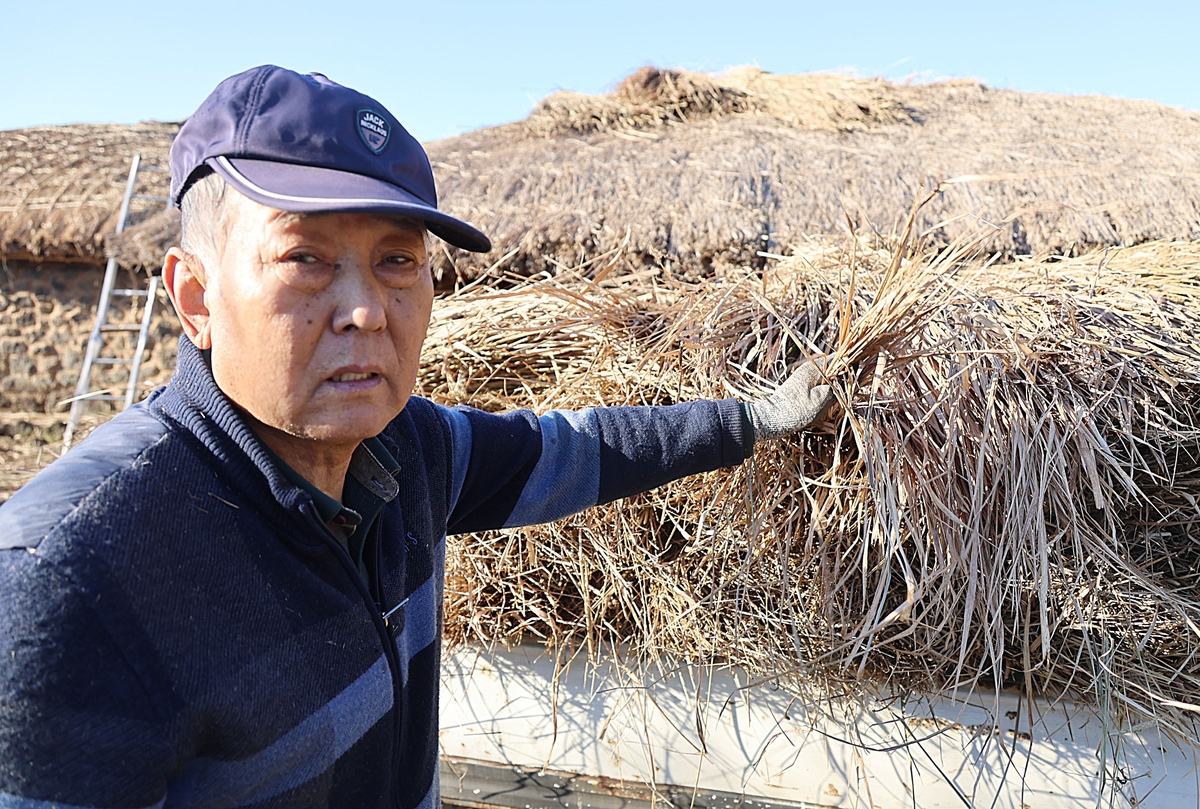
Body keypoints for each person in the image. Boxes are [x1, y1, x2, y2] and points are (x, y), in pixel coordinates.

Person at [0, 66, 833, 809]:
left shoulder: (406, 453)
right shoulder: (74, 587)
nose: (366, 309)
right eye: (306, 259)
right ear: (195, 298)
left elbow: (572, 450)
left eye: (398, 262)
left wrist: (748, 420)